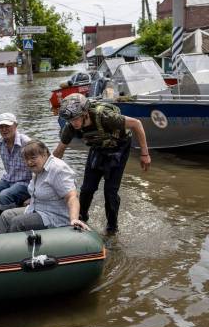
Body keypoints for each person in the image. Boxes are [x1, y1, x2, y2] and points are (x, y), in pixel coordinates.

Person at [54, 93, 151, 233]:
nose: (74, 122)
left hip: (119, 148)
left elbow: (137, 124)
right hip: (98, 147)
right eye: (70, 119)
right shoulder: (70, 127)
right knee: (87, 188)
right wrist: (46, 171)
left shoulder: (106, 117)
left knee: (110, 191)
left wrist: (145, 154)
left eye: (76, 118)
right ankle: (81, 218)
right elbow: (59, 151)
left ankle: (112, 229)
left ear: (85, 113)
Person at [0, 141, 88, 233]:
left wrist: (74, 219)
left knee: (17, 223)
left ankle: (12, 247)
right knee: (5, 216)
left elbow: (71, 197)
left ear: (44, 154)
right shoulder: (38, 168)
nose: (29, 162)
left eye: (33, 158)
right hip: (37, 209)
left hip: (54, 216)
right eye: (26, 159)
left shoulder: (57, 168)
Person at [0, 113, 32, 225]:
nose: (4, 130)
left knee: (5, 195)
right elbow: (8, 169)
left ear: (15, 126)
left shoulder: (26, 142)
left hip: (26, 182)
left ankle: (9, 226)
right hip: (9, 179)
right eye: (1, 127)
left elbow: (39, 167)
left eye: (7, 126)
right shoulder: (0, 143)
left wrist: (34, 194)